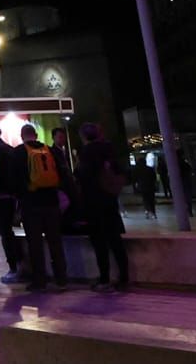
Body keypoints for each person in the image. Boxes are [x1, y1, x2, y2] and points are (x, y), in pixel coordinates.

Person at [76, 122, 130, 291]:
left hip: (94, 203)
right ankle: (124, 277)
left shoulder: (86, 153)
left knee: (99, 243)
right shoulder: (109, 149)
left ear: (84, 136)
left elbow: (82, 178)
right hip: (110, 200)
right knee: (115, 241)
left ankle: (104, 279)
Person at [18, 122, 70, 291]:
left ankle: (40, 280)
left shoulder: (19, 152)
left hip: (31, 204)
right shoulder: (51, 151)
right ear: (36, 135)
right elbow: (62, 176)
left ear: (22, 136)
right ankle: (61, 278)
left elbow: (14, 181)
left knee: (35, 244)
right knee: (55, 241)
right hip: (51, 202)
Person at [0, 122, 26, 283]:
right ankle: (21, 264)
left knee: (5, 233)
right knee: (10, 232)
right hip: (12, 196)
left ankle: (13, 267)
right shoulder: (10, 150)